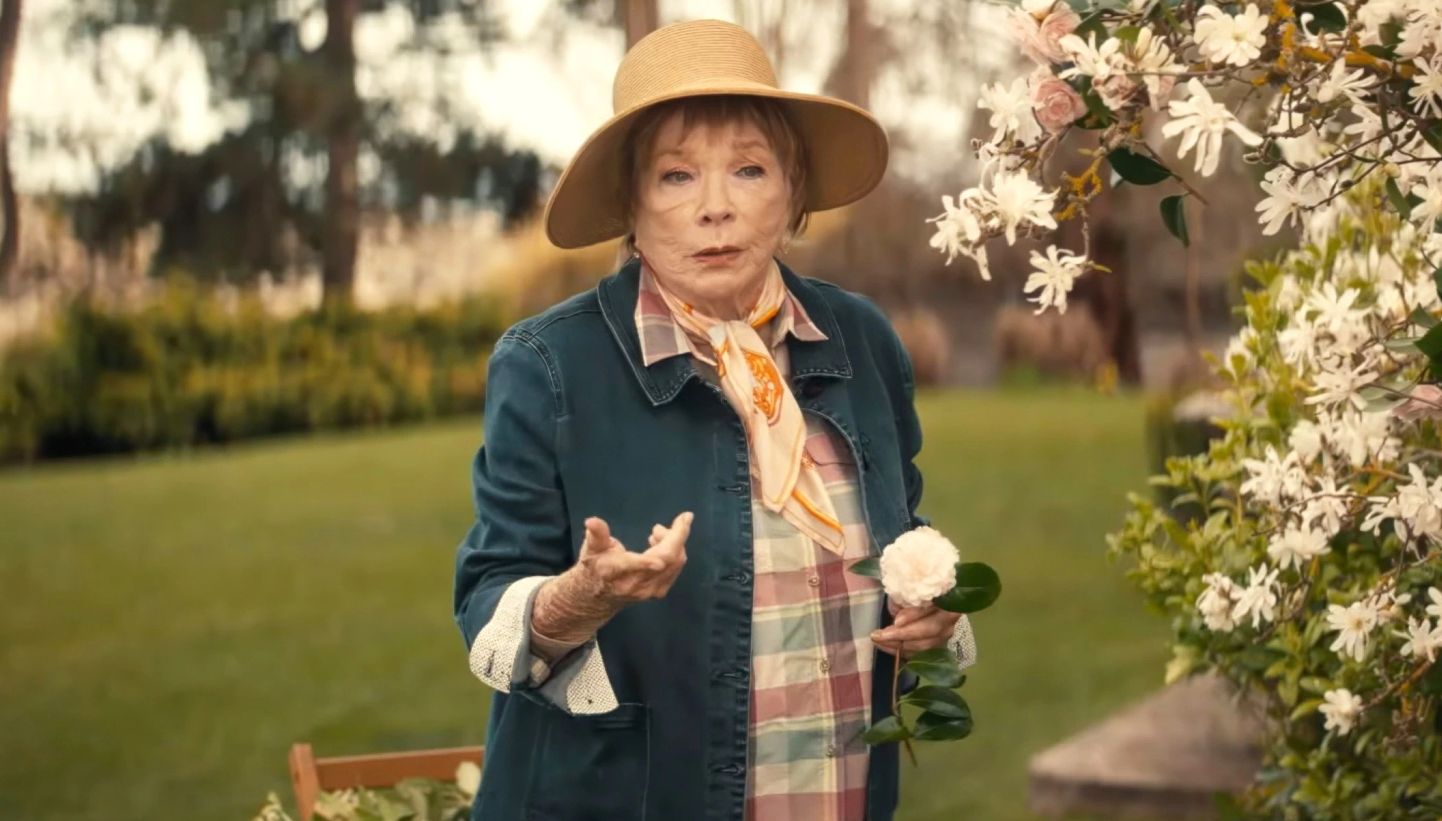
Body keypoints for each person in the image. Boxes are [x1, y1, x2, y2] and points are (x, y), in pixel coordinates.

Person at [453, 18, 976, 821]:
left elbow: (901, 533)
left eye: (748, 168)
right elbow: (488, 602)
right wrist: (577, 599)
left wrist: (933, 607)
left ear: (793, 190)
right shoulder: (549, 365)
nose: (716, 209)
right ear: (631, 202)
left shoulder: (860, 339)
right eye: (676, 177)